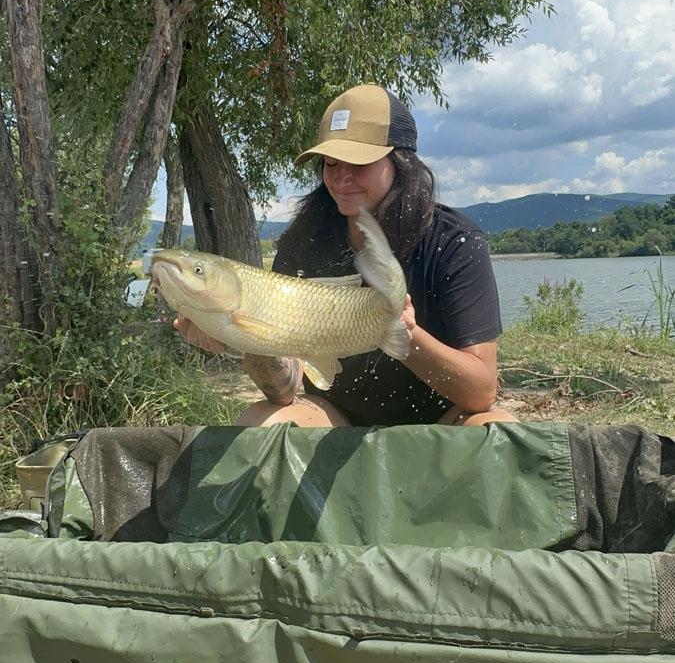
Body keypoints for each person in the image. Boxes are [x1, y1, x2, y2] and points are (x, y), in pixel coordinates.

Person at [176, 83, 517, 428]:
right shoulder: (302, 244)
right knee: (259, 424)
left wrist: (403, 335)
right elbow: (285, 391)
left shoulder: (455, 241)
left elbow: (481, 392)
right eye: (331, 162)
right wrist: (242, 336)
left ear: (401, 161)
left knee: (499, 429)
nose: (341, 177)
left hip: (441, 422)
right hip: (335, 420)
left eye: (358, 161)